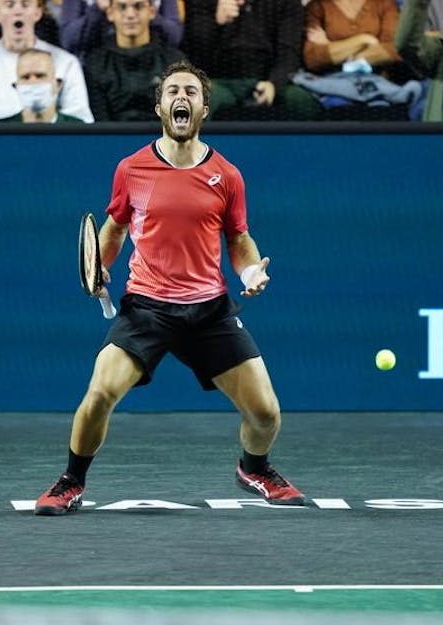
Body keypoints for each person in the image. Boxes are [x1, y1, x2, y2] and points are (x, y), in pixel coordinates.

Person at [34, 59, 304, 516]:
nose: (182, 97)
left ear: (203, 109)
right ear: (160, 106)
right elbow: (115, 227)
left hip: (209, 311)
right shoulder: (131, 169)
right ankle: (70, 481)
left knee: (266, 414)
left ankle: (254, 467)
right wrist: (98, 264)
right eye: (173, 90)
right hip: (146, 308)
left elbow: (238, 239)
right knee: (99, 393)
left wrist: (250, 272)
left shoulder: (228, 175)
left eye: (192, 92)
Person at [182, 0, 321, 120]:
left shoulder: (286, 3)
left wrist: (274, 83)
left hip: (267, 79)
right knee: (197, 101)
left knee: (301, 101)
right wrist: (217, 23)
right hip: (219, 79)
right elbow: (195, 52)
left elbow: (289, 52)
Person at [0, 0, 94, 122]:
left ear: (38, 13)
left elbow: (80, 120)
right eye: (9, 5)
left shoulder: (66, 62)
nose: (18, 11)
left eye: (25, 4)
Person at [84, 0, 186, 120]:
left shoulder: (174, 62)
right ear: (110, 13)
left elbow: (181, 119)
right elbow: (100, 123)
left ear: (152, 12)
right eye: (122, 7)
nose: (130, 15)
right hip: (112, 137)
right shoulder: (95, 64)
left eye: (138, 6)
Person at [303, 0, 402, 76]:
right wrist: (365, 40)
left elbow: (393, 49)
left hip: (377, 81)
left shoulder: (384, 3)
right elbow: (312, 58)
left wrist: (333, 50)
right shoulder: (316, 7)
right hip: (332, 82)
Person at [60, 0, 183, 59]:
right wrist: (97, 9)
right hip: (97, 69)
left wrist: (143, 8)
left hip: (151, 64)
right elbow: (68, 41)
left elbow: (174, 37)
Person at [0, 47, 87, 121]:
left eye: (40, 76)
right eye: (25, 77)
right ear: (16, 86)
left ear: (57, 85)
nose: (32, 83)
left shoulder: (78, 130)